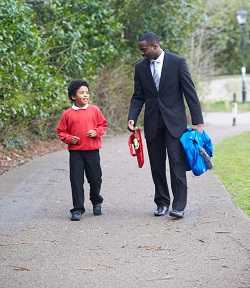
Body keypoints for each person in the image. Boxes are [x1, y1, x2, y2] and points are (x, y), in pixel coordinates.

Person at [128, 32, 204, 218]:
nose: (142, 53)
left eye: (144, 50)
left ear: (155, 45)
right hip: (153, 124)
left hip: (175, 124)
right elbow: (138, 96)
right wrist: (132, 117)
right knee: (156, 165)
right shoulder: (140, 68)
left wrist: (198, 122)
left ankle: (178, 206)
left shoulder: (177, 63)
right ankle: (162, 202)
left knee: (177, 163)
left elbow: (190, 93)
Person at [56, 80, 108, 221]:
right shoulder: (67, 114)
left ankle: (96, 200)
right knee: (76, 181)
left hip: (92, 151)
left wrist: (96, 132)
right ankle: (77, 209)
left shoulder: (95, 110)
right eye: (81, 92)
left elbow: (103, 125)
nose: (85, 95)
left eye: (86, 92)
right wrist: (68, 138)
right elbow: (61, 131)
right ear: (73, 97)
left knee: (95, 179)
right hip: (76, 153)